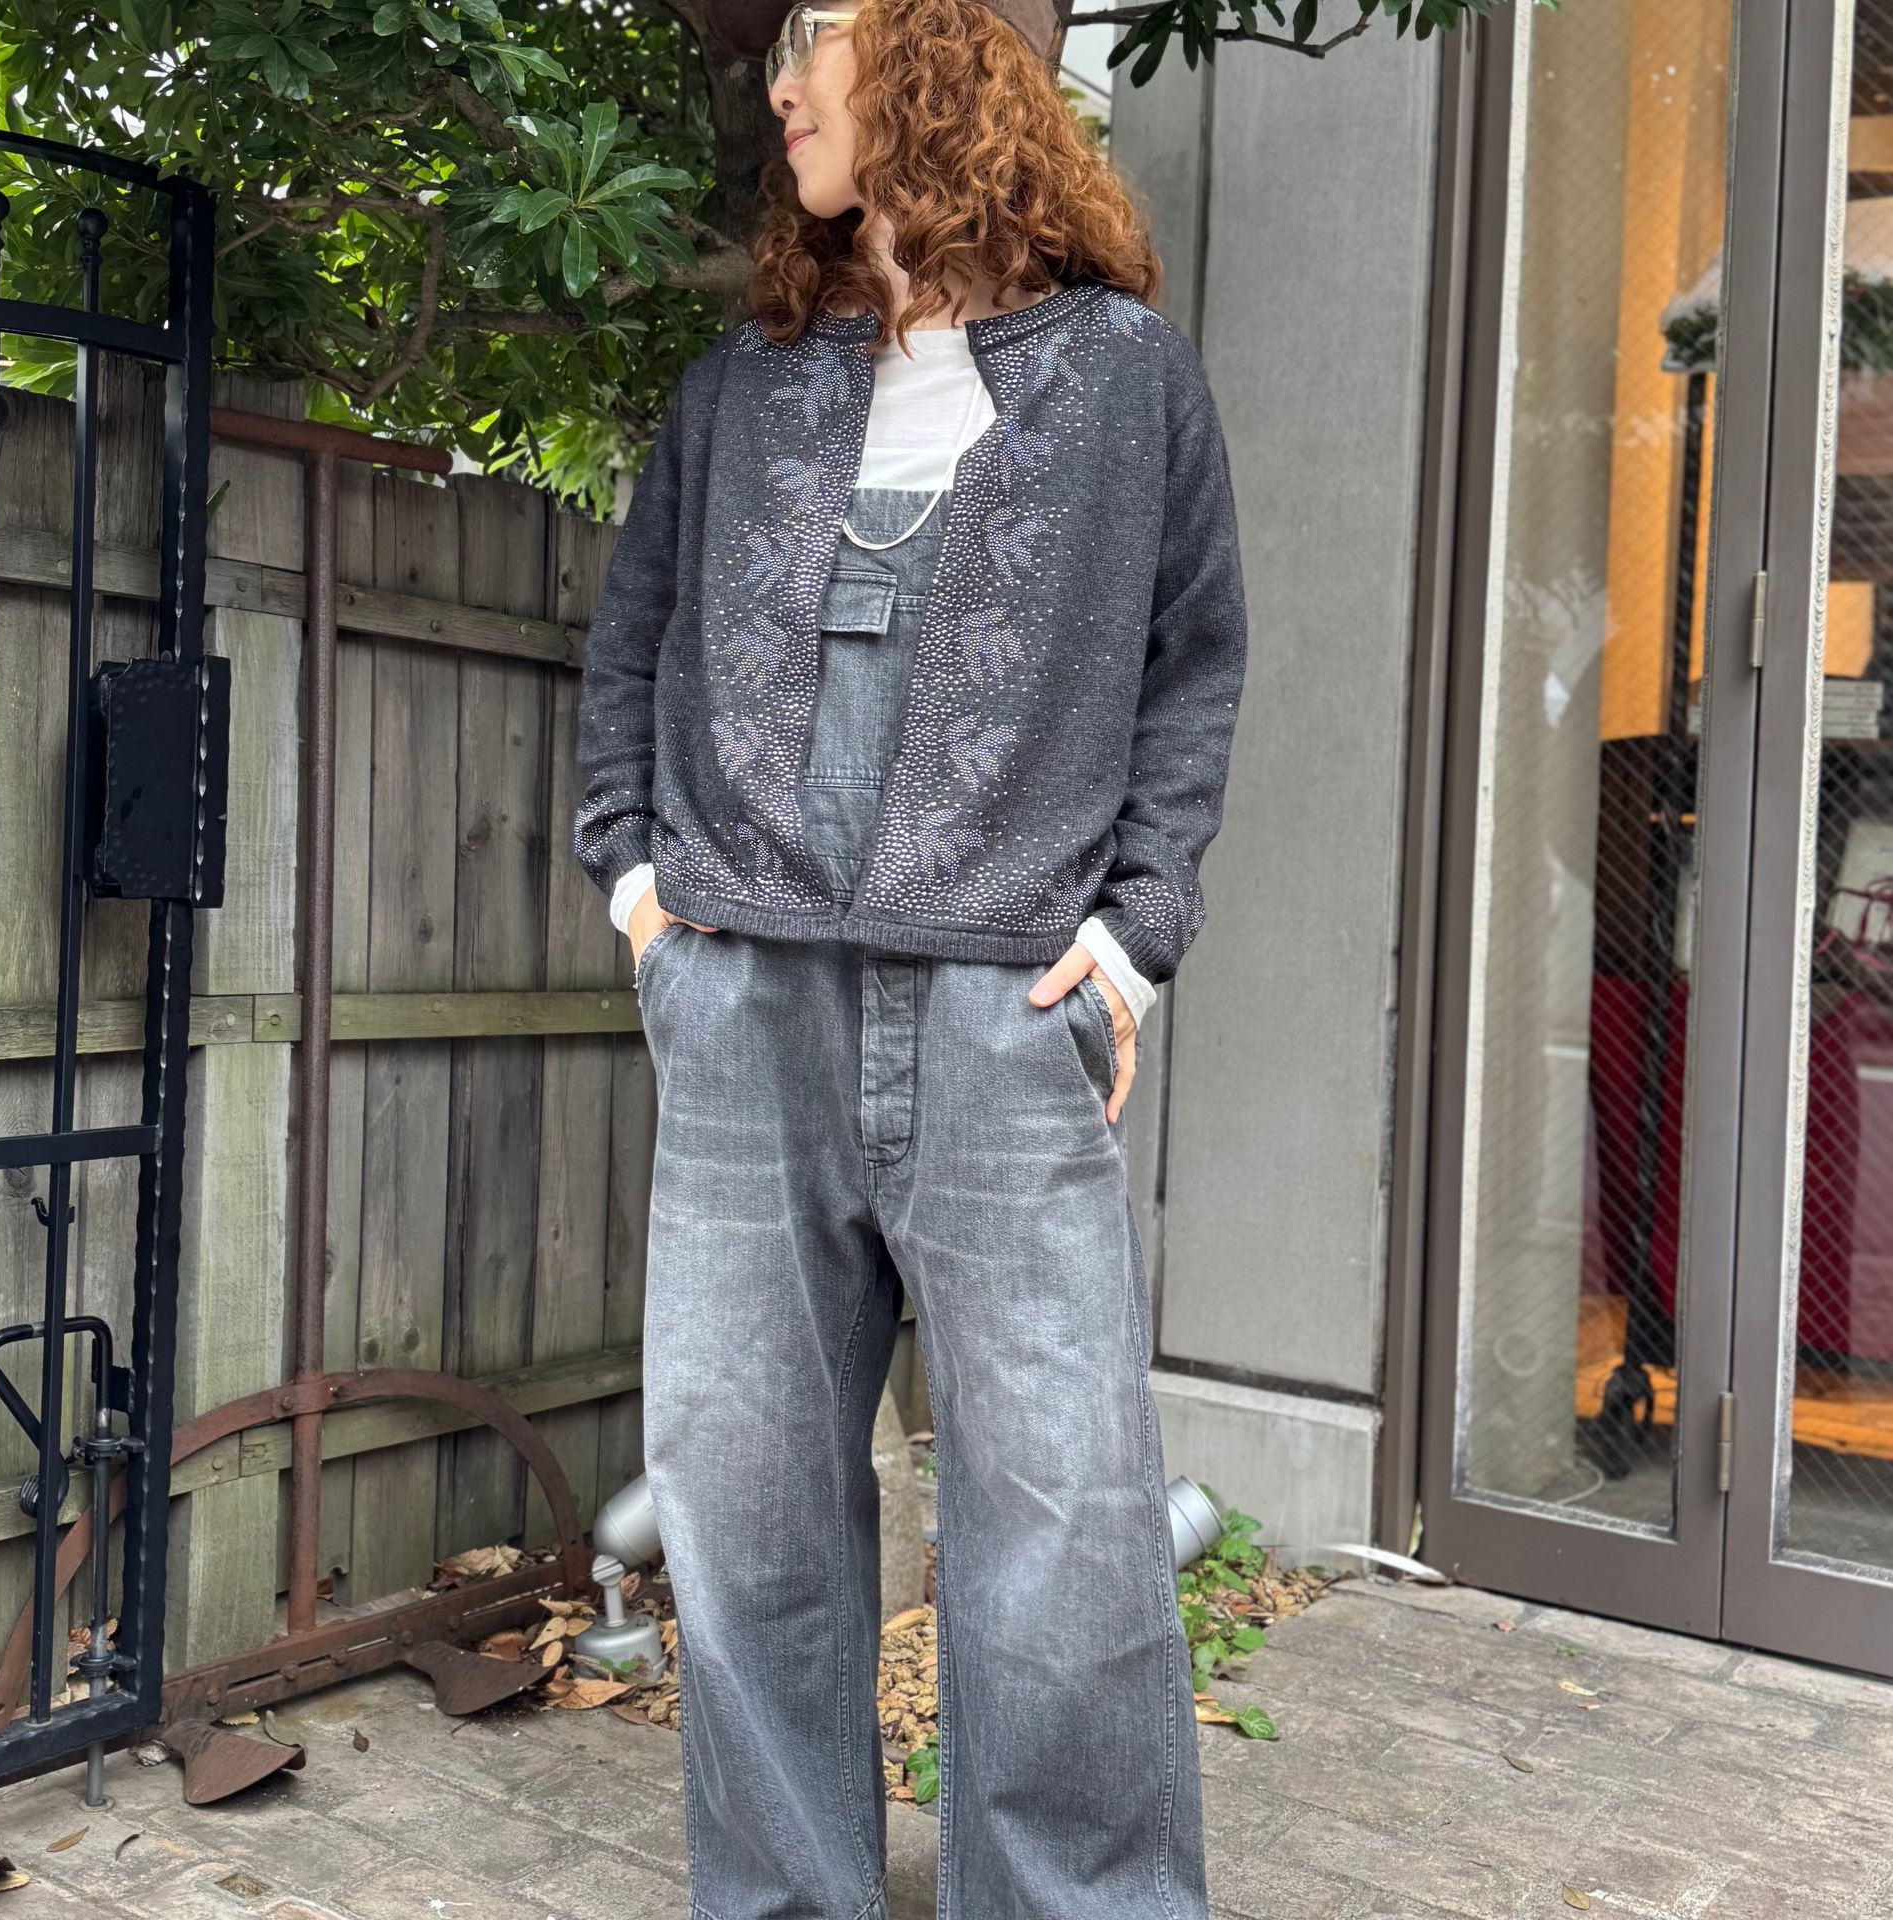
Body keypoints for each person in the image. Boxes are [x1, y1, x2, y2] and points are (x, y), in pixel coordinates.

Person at [572, 0, 1248, 1910]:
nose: (783, 85)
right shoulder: (741, 388)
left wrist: (1135, 940)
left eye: (821, 39)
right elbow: (630, 648)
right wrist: (640, 897)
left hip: (998, 1012)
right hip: (744, 1004)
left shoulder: (1125, 381)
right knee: (749, 1521)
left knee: (1066, 1532)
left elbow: (1193, 664)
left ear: (936, 57)